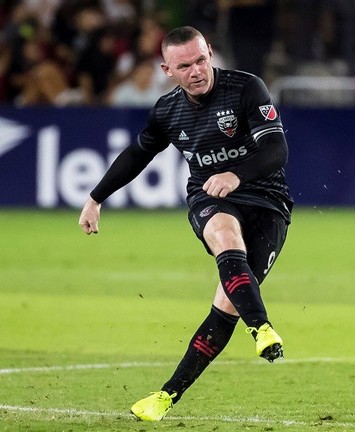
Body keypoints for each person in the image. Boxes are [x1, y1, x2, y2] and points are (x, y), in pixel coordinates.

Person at [78, 26, 292, 421]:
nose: (196, 71)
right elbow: (137, 155)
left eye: (200, 60)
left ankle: (166, 395)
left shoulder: (246, 88)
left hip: (268, 202)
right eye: (184, 66)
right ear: (167, 70)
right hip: (209, 196)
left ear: (210, 52)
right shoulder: (167, 110)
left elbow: (276, 149)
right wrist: (95, 198)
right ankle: (262, 327)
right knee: (224, 235)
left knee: (226, 305)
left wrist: (237, 174)